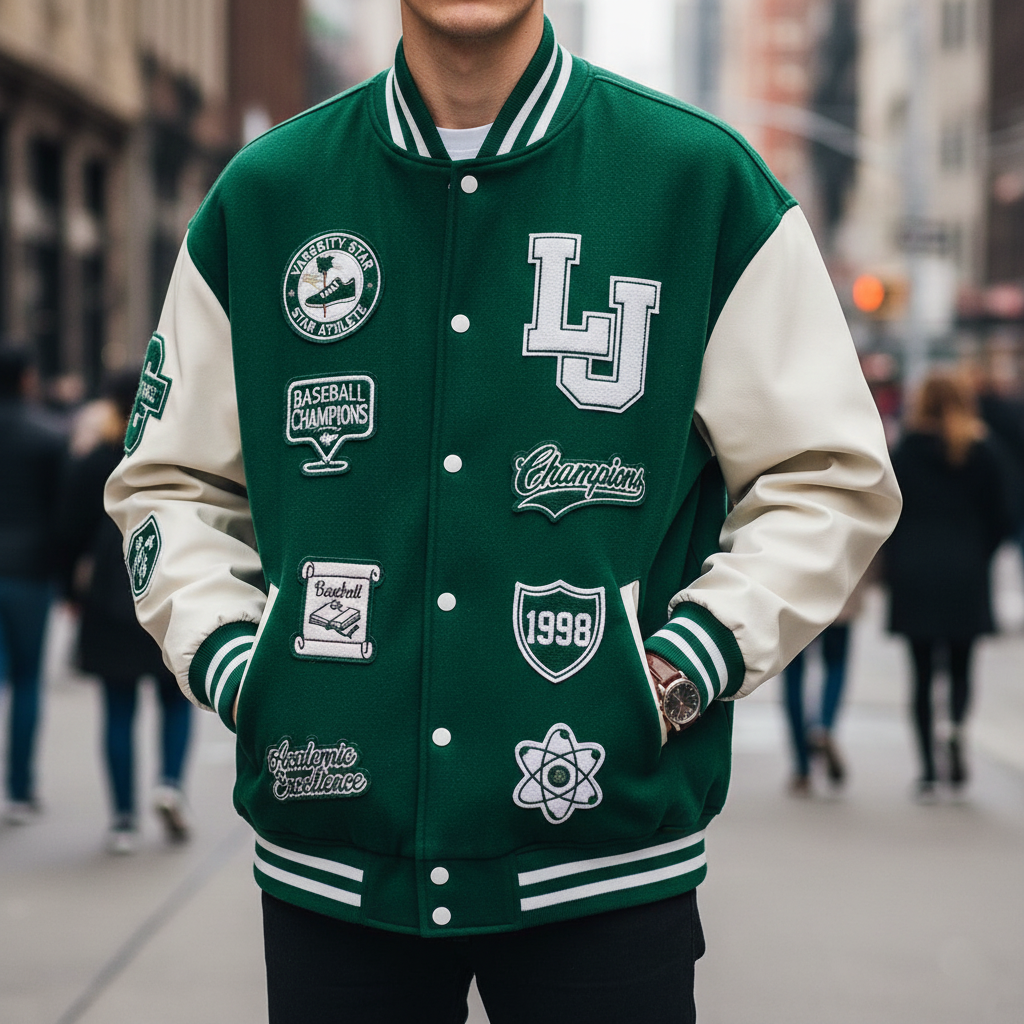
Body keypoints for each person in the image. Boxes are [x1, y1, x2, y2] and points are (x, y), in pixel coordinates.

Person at [105, 2, 901, 1020]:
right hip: (332, 860)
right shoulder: (265, 197)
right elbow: (168, 484)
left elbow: (828, 472)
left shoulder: (699, 184)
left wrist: (693, 656)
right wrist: (241, 663)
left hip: (605, 862)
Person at [57, 371, 193, 853]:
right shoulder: (175, 454)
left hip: (110, 598)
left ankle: (122, 820)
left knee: (118, 708)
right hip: (171, 590)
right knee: (176, 699)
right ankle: (170, 784)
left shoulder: (96, 458)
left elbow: (70, 531)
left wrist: (68, 592)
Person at [886, 370, 1012, 802]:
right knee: (961, 666)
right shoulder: (983, 451)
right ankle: (956, 727)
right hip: (966, 572)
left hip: (916, 573)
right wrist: (980, 552)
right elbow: (1005, 516)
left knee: (921, 675)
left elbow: (888, 510)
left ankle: (926, 771)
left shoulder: (906, 451)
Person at [0, 349, 65, 824]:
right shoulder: (48, 435)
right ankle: (18, 788)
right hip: (30, 573)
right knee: (27, 681)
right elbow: (62, 516)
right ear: (26, 378)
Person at [781, 572, 870, 795]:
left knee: (793, 671)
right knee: (836, 664)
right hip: (840, 581)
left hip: (796, 585)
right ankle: (823, 726)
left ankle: (802, 768)